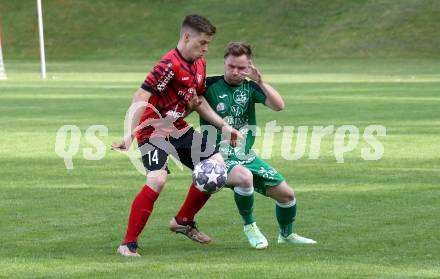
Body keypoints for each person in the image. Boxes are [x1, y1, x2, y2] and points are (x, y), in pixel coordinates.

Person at [112, 15, 242, 257]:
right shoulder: (168, 65)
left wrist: (224, 126)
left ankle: (183, 220)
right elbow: (141, 97)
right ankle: (127, 244)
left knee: (217, 166)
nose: (205, 48)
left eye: (208, 44)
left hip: (178, 127)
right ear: (186, 37)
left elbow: (198, 102)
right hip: (152, 129)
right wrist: (129, 136)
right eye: (202, 43)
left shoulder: (199, 64)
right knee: (157, 179)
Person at [193, 42, 317, 249]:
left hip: (245, 155)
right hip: (217, 156)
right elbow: (189, 105)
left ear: (249, 66)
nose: (235, 72)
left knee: (287, 195)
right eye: (231, 66)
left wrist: (261, 81)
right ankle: (250, 226)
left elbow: (279, 106)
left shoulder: (250, 87)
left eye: (241, 68)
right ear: (224, 62)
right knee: (244, 177)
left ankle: (286, 235)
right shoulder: (208, 86)